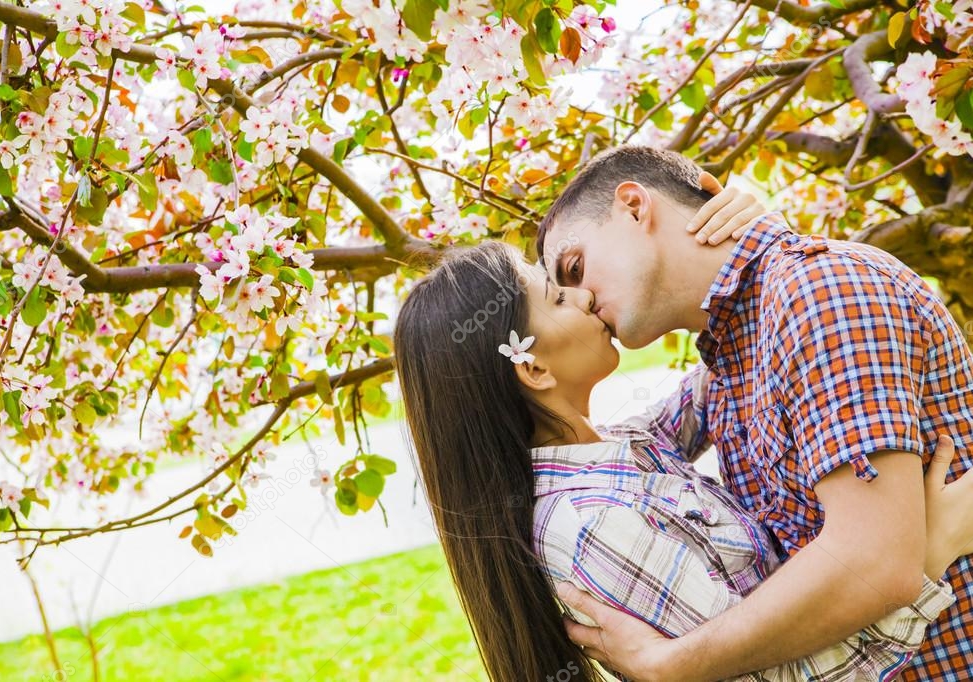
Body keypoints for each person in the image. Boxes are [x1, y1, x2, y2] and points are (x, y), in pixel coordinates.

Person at [393, 239, 973, 682]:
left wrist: (734, 235)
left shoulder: (617, 451)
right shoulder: (593, 524)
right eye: (558, 296)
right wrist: (929, 552)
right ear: (535, 370)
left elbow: (732, 358)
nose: (586, 295)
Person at [535, 145, 973, 681]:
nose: (579, 300)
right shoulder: (730, 350)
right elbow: (601, 453)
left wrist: (668, 666)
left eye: (574, 268)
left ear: (633, 206)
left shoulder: (818, 292)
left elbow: (875, 561)